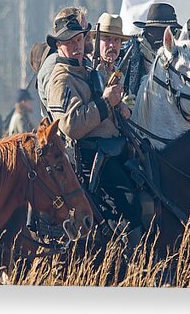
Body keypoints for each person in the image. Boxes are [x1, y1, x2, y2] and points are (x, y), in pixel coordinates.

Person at [46, 13, 142, 239]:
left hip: (113, 151)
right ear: (59, 45)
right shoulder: (61, 80)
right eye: (69, 42)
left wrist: (119, 109)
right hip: (92, 159)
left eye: (79, 40)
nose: (76, 46)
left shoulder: (86, 72)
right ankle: (136, 263)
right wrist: (107, 101)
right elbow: (71, 125)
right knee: (129, 204)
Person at [37, 6, 93, 118]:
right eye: (82, 27)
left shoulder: (83, 62)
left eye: (81, 34)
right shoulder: (53, 65)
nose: (88, 35)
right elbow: (63, 112)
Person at [123, 2, 181, 102]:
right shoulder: (129, 52)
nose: (169, 35)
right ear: (149, 30)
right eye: (163, 30)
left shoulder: (176, 56)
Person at [90, 13, 130, 86]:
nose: (112, 45)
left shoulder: (120, 76)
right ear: (97, 41)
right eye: (107, 39)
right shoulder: (87, 71)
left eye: (116, 40)